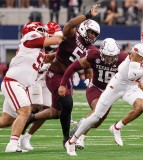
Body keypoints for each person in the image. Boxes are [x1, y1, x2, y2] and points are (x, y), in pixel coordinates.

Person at [64, 26, 143, 156]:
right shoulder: (140, 49)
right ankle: (71, 141)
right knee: (96, 116)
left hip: (131, 86)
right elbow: (131, 74)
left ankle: (117, 127)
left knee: (141, 106)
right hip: (117, 84)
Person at [24, 4, 101, 148]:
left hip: (68, 78)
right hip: (55, 74)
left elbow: (89, 66)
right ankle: (67, 139)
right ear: (84, 28)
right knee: (67, 103)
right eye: (91, 32)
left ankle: (30, 119)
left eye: (95, 35)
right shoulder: (72, 35)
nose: (92, 36)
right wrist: (88, 15)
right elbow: (70, 23)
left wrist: (90, 82)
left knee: (56, 113)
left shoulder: (90, 48)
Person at [0, 21, 62, 152]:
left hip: (20, 85)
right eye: (40, 29)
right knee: (25, 111)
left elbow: (46, 58)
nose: (43, 31)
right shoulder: (31, 36)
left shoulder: (35, 48)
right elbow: (56, 39)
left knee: (6, 121)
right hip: (14, 82)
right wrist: (61, 34)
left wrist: (63, 54)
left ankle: (14, 142)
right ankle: (12, 145)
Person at [58, 38, 127, 149]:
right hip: (95, 87)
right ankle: (78, 139)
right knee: (96, 112)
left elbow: (134, 69)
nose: (109, 59)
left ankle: (82, 124)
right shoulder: (94, 55)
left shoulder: (123, 58)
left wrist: (139, 80)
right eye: (107, 56)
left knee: (97, 122)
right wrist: (62, 84)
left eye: (112, 56)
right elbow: (74, 66)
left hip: (110, 92)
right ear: (101, 52)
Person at [18, 22, 63, 151]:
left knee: (47, 110)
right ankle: (17, 135)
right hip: (34, 77)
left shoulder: (57, 45)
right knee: (35, 107)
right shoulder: (35, 41)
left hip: (47, 78)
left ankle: (26, 137)